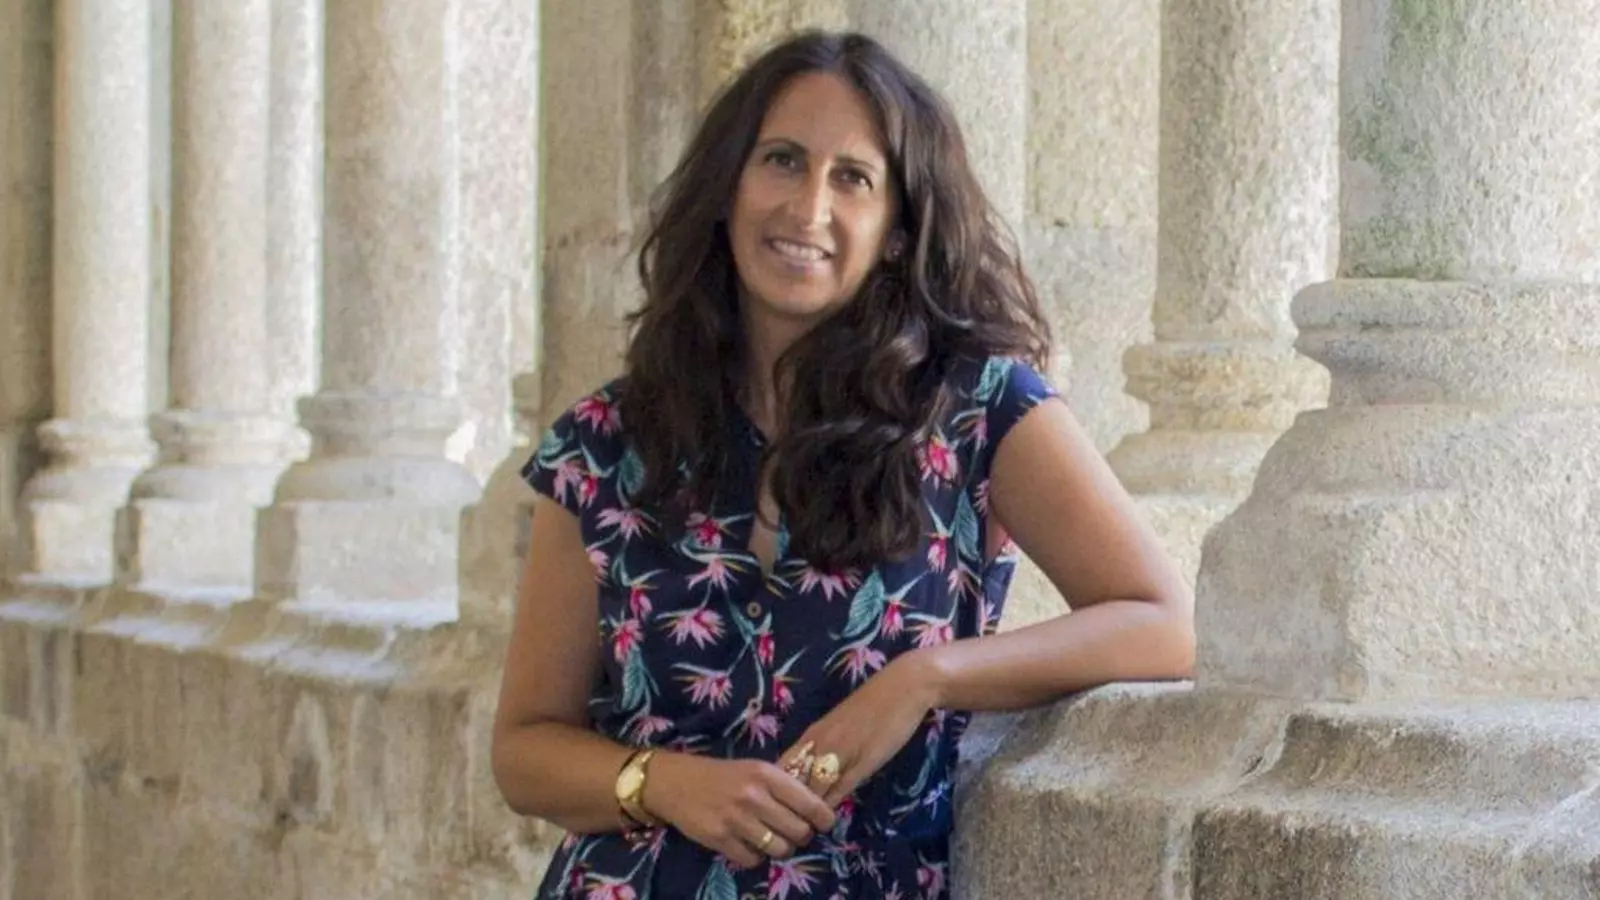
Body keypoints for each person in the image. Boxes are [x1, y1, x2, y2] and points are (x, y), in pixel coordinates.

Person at [491, 29, 1194, 900]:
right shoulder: (603, 444)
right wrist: (664, 783)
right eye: (782, 160)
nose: (808, 207)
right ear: (727, 188)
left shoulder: (979, 410)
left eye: (853, 178)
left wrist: (926, 678)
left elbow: (1163, 623)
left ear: (897, 230)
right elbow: (524, 750)